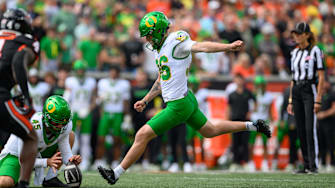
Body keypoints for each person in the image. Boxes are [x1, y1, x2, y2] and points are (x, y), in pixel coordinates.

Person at [98, 11, 271, 185]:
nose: (147, 40)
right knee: (209, 130)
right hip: (186, 98)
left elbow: (201, 46)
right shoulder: (160, 49)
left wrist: (226, 47)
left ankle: (116, 173)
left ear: (158, 31)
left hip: (178, 105)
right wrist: (146, 99)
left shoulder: (176, 41)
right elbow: (161, 79)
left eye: (149, 35)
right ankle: (253, 125)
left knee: (142, 135)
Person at [0, 95, 81, 187]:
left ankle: (51, 178)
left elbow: (65, 152)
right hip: (16, 155)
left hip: (39, 151)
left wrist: (71, 160)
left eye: (64, 122)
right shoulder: (33, 126)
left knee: (71, 135)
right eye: (56, 123)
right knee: (4, 183)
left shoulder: (65, 126)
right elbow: (23, 159)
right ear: (46, 117)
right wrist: (47, 162)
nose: (60, 126)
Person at [0, 8, 40, 188]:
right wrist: (26, 96)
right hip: (1, 93)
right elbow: (18, 62)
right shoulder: (25, 41)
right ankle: (23, 184)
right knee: (30, 136)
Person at [287, 22, 325, 174]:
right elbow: (293, 78)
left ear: (307, 35)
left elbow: (321, 77)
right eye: (294, 33)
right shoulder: (294, 52)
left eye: (299, 33)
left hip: (309, 89)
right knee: (300, 128)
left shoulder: (316, 51)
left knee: (310, 128)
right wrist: (290, 99)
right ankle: (306, 162)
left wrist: (318, 98)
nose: (295, 36)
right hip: (296, 90)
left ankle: (313, 164)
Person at [93, 65, 131, 169]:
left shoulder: (124, 84)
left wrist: (127, 117)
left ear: (118, 73)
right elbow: (99, 100)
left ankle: (115, 161)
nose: (113, 74)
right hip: (106, 113)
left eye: (115, 72)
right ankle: (99, 160)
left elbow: (125, 101)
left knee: (117, 139)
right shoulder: (103, 83)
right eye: (112, 71)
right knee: (101, 138)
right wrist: (100, 106)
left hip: (117, 113)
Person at [64, 60, 96, 171]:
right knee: (71, 137)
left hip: (85, 112)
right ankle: (70, 159)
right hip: (73, 111)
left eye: (82, 70)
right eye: (78, 70)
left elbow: (94, 99)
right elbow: (67, 97)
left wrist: (89, 109)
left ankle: (85, 161)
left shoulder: (91, 82)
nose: (80, 72)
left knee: (85, 138)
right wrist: (68, 110)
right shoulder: (70, 81)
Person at [227, 74, 255, 171]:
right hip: (234, 121)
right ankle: (235, 162)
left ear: (243, 81)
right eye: (237, 79)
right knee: (235, 142)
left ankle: (246, 162)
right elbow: (228, 108)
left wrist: (251, 112)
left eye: (240, 79)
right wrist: (227, 120)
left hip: (245, 121)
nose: (239, 81)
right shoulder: (232, 94)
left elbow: (255, 102)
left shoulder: (248, 93)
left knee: (245, 142)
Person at [249, 75, 275, 172]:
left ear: (264, 85)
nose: (259, 87)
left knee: (265, 143)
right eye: (258, 85)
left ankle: (265, 163)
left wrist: (271, 120)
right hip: (254, 120)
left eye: (261, 85)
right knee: (251, 143)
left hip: (264, 120)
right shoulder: (252, 95)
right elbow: (252, 109)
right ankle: (251, 163)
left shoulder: (269, 96)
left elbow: (269, 110)